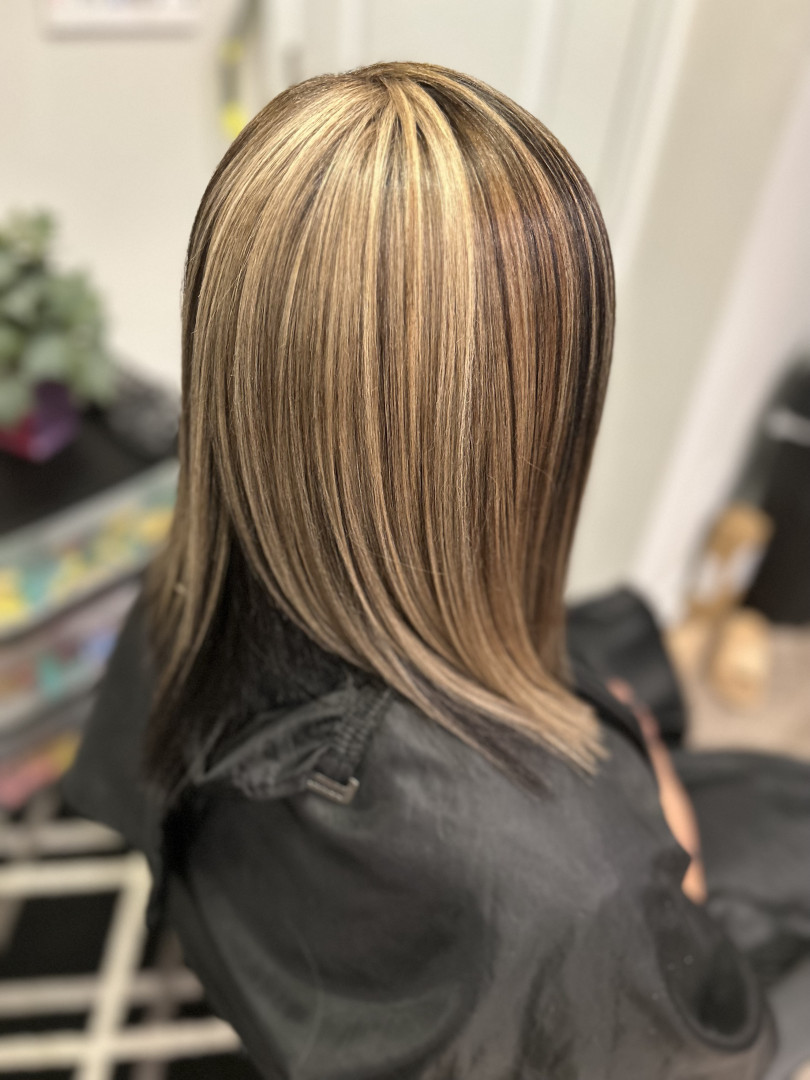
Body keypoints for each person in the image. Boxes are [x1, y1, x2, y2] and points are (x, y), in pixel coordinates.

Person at [64, 61, 783, 1078]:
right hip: (559, 904)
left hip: (326, 935)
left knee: (629, 663)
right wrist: (665, 837)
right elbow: (698, 1038)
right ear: (537, 426)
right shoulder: (577, 887)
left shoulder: (170, 602)